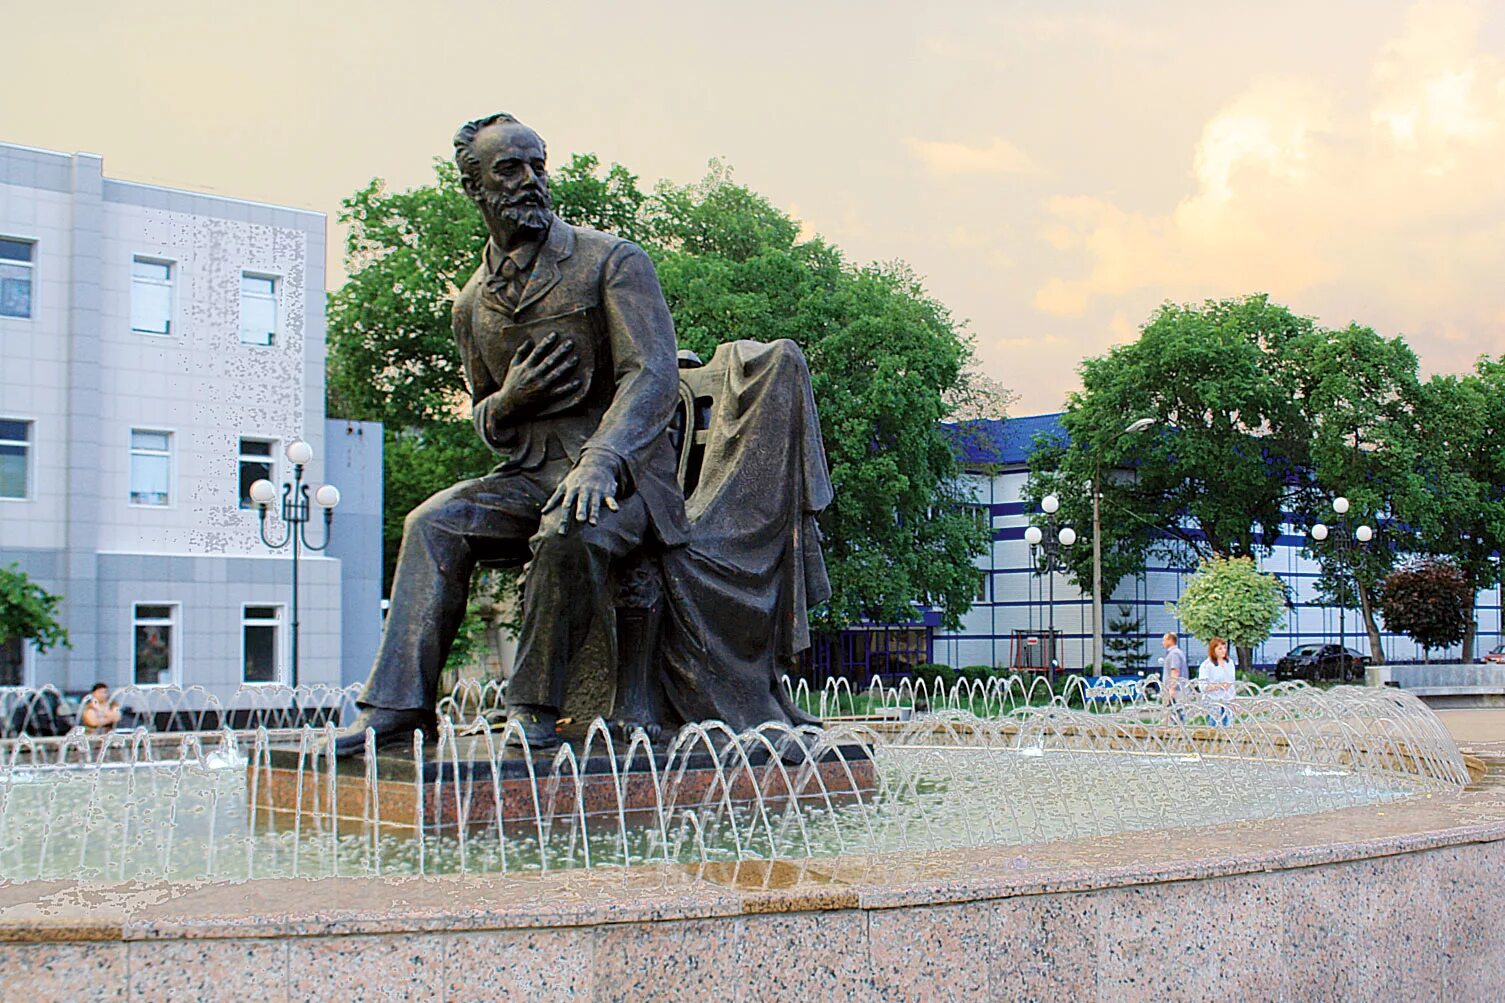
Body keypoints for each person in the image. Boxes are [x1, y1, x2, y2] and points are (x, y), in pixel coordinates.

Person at [331, 112, 689, 755]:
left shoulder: (610, 261)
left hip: (624, 479)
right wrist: (508, 401)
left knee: (567, 530)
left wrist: (602, 459)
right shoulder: (471, 303)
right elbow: (483, 417)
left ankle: (533, 705)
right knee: (431, 523)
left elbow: (653, 373)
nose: (530, 180)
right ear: (474, 188)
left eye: (537, 165)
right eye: (509, 169)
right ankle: (399, 708)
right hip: (529, 476)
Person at [1197, 637, 1237, 726]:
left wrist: (1233, 699)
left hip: (1228, 701)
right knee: (1214, 728)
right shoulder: (1207, 665)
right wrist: (1218, 686)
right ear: (1213, 650)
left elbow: (1232, 682)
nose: (1223, 651)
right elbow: (1203, 686)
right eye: (1220, 648)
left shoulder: (1229, 663)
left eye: (1224, 648)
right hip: (1213, 702)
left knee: (1228, 728)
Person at [1160, 632, 1187, 708]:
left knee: (1175, 714)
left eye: (1164, 640)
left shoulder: (1174, 654)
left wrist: (1172, 688)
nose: (1163, 643)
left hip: (1176, 691)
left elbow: (1175, 671)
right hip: (1179, 689)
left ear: (1170, 640)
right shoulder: (1177, 652)